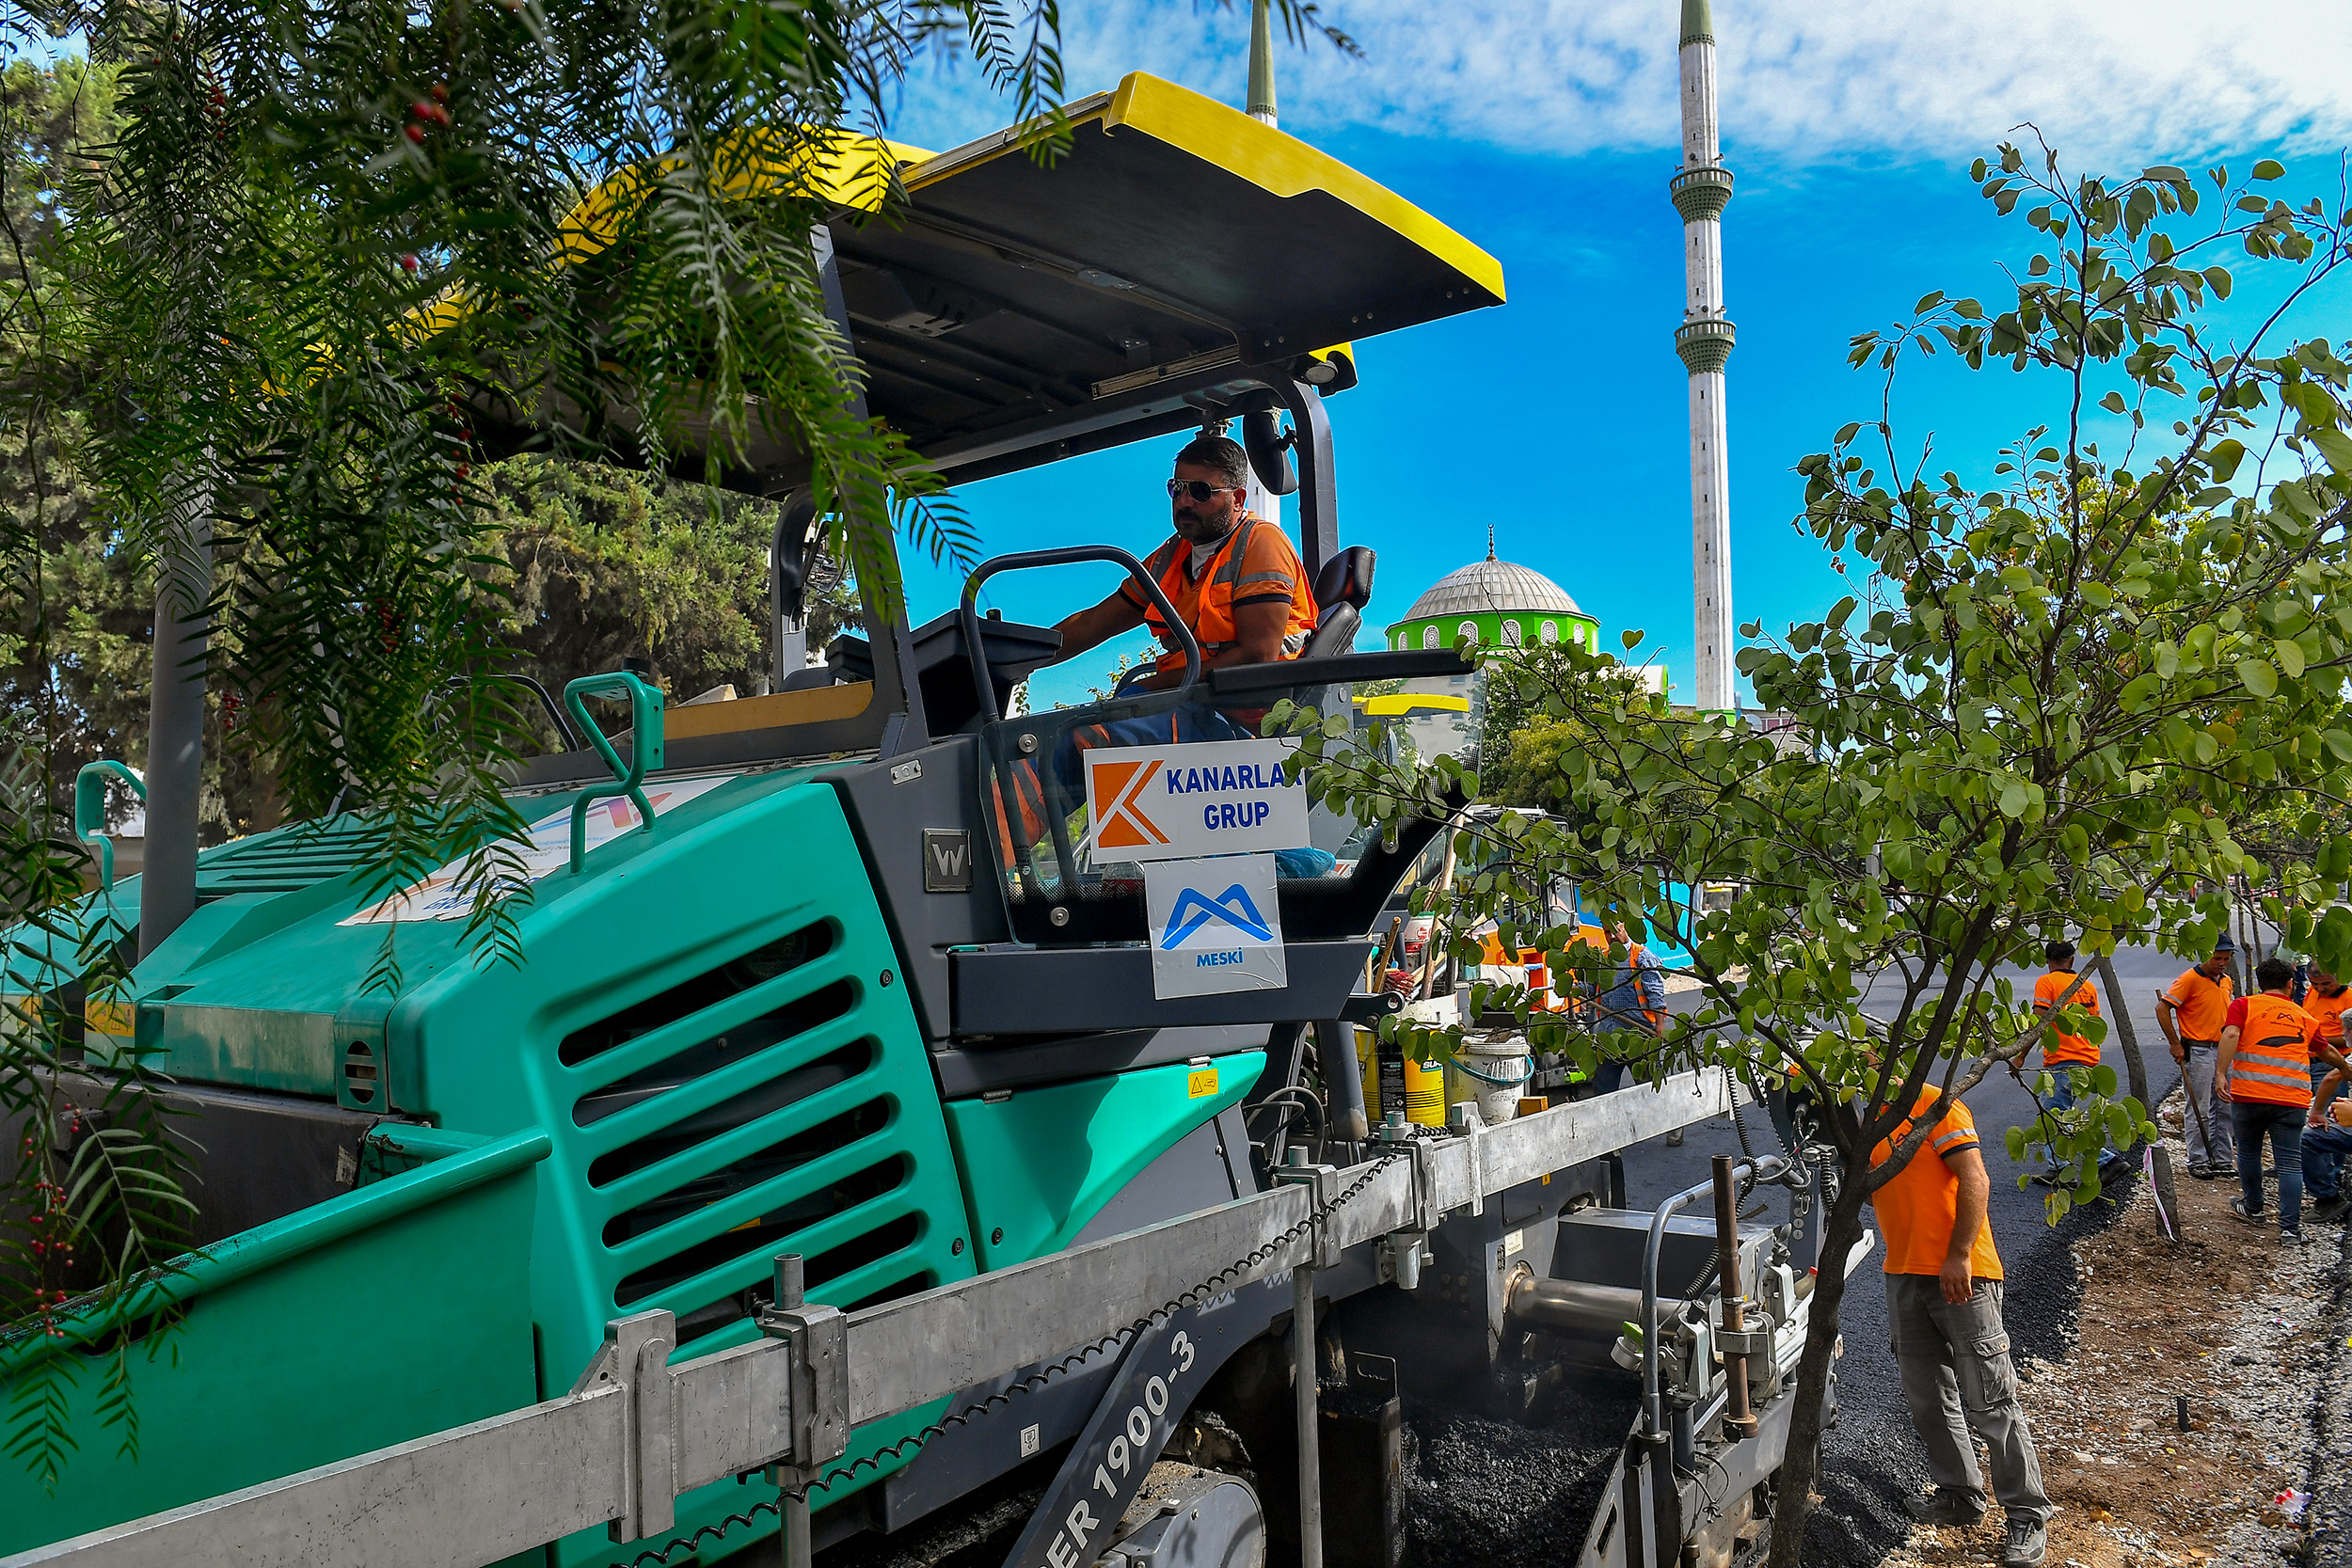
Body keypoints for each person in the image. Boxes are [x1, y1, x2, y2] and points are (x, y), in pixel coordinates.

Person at [1870, 1082, 2053, 1567]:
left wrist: (1959, 1255)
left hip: (1962, 1275)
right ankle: (1960, 1495)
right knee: (1928, 1398)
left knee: (1990, 1400)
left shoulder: (1935, 1105)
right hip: (1903, 1271)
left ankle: (2027, 1515)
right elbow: (1875, 1189)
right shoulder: (1868, 1118)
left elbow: (1975, 1178)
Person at [1049, 433, 1317, 695]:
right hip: (1191, 699)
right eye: (1177, 489)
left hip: (1251, 706)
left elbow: (1258, 656)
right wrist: (1031, 652)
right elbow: (1092, 624)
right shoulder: (1170, 556)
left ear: (1237, 499)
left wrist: (1150, 688)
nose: (1184, 502)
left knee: (1108, 723)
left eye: (1201, 491)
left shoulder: (1262, 544)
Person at [2216, 955, 2319, 1244]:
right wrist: (2345, 1070)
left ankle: (2254, 1208)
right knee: (2290, 1162)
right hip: (2291, 1099)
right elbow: (2324, 1050)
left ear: (2260, 983)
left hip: (2249, 1095)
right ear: (2290, 984)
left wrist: (2221, 1073)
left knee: (2249, 1153)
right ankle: (2290, 1230)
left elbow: (2231, 1034)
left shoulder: (2243, 1005)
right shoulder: (2303, 1016)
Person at [2028, 940, 2124, 1181]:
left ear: (2048, 961)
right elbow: (2096, 1026)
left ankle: (2104, 1161)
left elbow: (2039, 1022)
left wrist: (2019, 1055)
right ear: (2072, 960)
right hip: (2086, 1060)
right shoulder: (2087, 986)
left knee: (2055, 1117)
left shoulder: (2046, 982)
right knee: (2062, 1115)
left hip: (2063, 1060)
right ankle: (2059, 1167)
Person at [2156, 937, 2237, 1180]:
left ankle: (2222, 1159)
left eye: (2226, 959)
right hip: (2199, 1050)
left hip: (2223, 1049)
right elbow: (2163, 1008)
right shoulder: (2189, 979)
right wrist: (2174, 1042)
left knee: (2224, 1106)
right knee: (2200, 1107)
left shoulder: (2226, 981)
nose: (2222, 963)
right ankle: (2198, 1159)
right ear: (2206, 955)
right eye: (2217, 958)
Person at [1594, 923, 1671, 1129]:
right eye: (1607, 932)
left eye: (1615, 931)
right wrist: (1575, 989)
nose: (1611, 937)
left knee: (1650, 1088)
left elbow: (1655, 994)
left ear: (1626, 928)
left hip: (1638, 1036)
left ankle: (1671, 1124)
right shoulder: (1602, 959)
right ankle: (1606, 1133)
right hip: (1609, 1037)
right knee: (1602, 1090)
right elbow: (1591, 987)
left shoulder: (1642, 957)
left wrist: (1659, 1026)